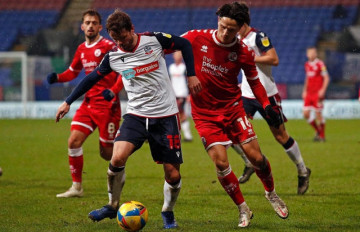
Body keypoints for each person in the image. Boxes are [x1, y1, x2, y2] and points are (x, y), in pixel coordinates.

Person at [55, 9, 202, 229]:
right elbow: (91, 79)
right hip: (135, 115)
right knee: (116, 159)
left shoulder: (154, 40)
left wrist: (192, 74)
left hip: (165, 117)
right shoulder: (114, 56)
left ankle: (168, 211)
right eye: (116, 40)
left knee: (172, 174)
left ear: (131, 30)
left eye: (123, 38)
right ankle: (112, 205)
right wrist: (68, 101)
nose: (120, 44)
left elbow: (185, 45)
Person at [172, 2, 289, 228]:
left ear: (241, 28)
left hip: (233, 109)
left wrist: (266, 105)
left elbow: (254, 81)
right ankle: (242, 207)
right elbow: (165, 44)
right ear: (218, 20)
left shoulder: (243, 51)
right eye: (223, 26)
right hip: (205, 114)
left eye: (232, 29)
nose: (226, 33)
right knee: (221, 163)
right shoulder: (195, 37)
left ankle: (271, 193)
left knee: (256, 159)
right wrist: (190, 73)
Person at [233, 2, 311, 195]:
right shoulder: (235, 39)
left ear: (244, 24)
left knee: (280, 136)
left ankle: (302, 170)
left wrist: (251, 58)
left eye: (237, 26)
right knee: (233, 132)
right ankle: (249, 162)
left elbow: (274, 59)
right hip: (246, 95)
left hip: (267, 95)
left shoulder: (258, 37)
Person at [47, 9, 124, 198]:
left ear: (100, 27)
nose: (90, 26)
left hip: (108, 106)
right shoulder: (81, 48)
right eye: (87, 22)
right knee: (73, 141)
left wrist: (113, 91)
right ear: (82, 26)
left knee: (107, 154)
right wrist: (57, 77)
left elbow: (125, 72)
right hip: (88, 104)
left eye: (94, 23)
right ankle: (77, 187)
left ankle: (128, 144)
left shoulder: (108, 46)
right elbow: (73, 72)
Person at [302, 47, 330, 142]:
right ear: (307, 54)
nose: (311, 54)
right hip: (309, 93)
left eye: (313, 53)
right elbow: (307, 78)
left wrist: (323, 90)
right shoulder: (307, 65)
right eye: (310, 53)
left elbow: (326, 78)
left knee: (318, 114)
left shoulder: (320, 64)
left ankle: (322, 136)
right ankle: (318, 131)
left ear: (316, 54)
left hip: (317, 93)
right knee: (306, 114)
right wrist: (304, 91)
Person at [168, 51, 193, 142]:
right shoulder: (171, 68)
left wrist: (189, 94)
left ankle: (187, 135)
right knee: (177, 114)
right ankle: (184, 135)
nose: (177, 56)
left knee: (181, 114)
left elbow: (190, 81)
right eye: (176, 55)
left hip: (182, 94)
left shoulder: (184, 68)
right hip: (174, 94)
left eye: (179, 55)